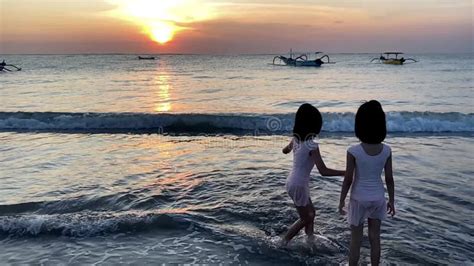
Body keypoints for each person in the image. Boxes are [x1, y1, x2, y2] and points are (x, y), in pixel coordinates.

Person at [338, 100, 395, 266]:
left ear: (359, 125)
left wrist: (341, 200)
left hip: (358, 199)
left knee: (355, 241)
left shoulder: (353, 151)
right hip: (378, 198)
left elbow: (348, 179)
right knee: (375, 238)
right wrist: (391, 200)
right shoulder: (386, 150)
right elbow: (389, 178)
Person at [282, 103, 345, 245]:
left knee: (311, 213)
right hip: (298, 184)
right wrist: (345, 172)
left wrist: (289, 148)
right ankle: (284, 241)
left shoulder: (296, 139)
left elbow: (284, 151)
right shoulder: (312, 145)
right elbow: (323, 171)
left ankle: (309, 238)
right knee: (306, 217)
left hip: (293, 182)